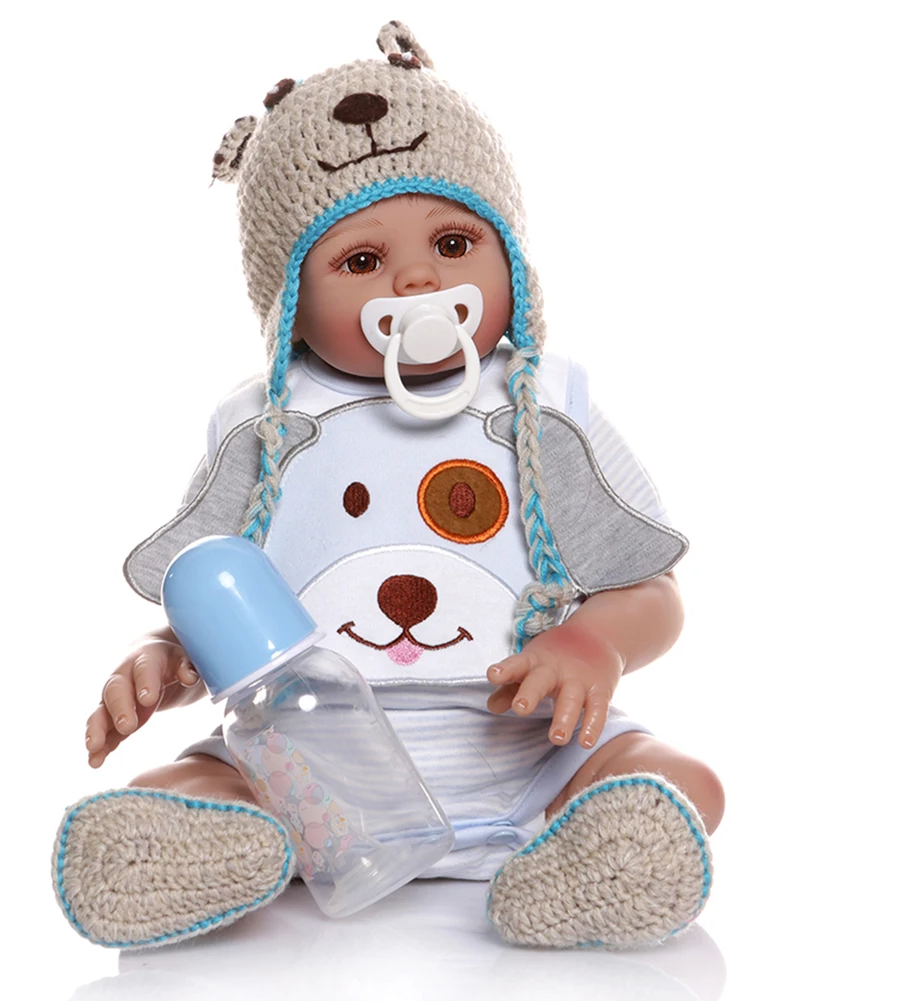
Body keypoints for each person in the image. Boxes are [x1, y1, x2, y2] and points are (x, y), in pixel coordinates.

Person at [53, 21, 724, 952]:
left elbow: (650, 590)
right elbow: (211, 595)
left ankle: (596, 857)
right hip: (308, 777)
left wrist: (591, 642)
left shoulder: (543, 408)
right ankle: (210, 847)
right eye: (362, 262)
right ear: (290, 302)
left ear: (510, 258)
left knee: (680, 778)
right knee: (187, 784)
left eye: (453, 241)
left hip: (532, 757)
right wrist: (164, 656)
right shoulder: (265, 427)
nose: (416, 279)